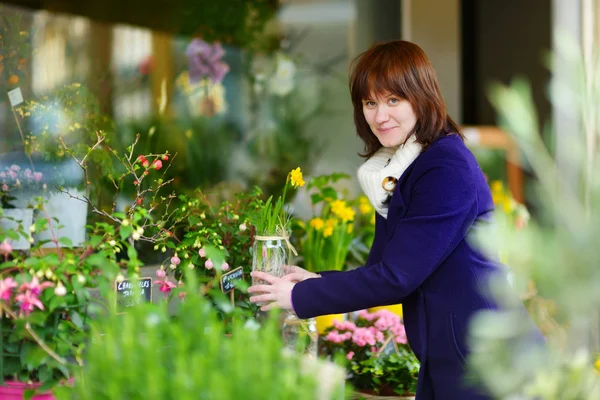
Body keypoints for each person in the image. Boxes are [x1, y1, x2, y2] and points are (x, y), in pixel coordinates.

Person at [248, 40, 542, 399]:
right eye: (370, 103)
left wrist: (299, 296)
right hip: (452, 357)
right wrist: (314, 279)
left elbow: (396, 278)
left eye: (393, 100)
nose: (380, 115)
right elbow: (383, 267)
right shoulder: (397, 170)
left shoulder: (445, 166)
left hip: (488, 362)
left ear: (421, 97)